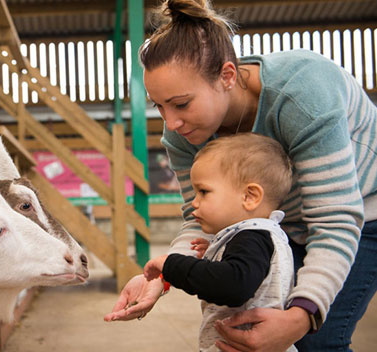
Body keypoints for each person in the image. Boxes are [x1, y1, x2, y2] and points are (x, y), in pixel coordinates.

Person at [103, 0, 377, 351]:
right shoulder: (182, 135)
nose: (170, 123)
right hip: (279, 224)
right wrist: (162, 276)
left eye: (182, 103)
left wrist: (301, 316)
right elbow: (200, 218)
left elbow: (335, 218)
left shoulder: (302, 93)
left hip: (361, 214)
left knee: (316, 337)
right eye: (159, 105)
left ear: (228, 76)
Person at [142, 133, 297, 351]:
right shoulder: (262, 236)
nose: (194, 203)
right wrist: (221, 253)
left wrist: (171, 265)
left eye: (204, 192)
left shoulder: (252, 237)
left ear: (249, 196)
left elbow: (232, 285)